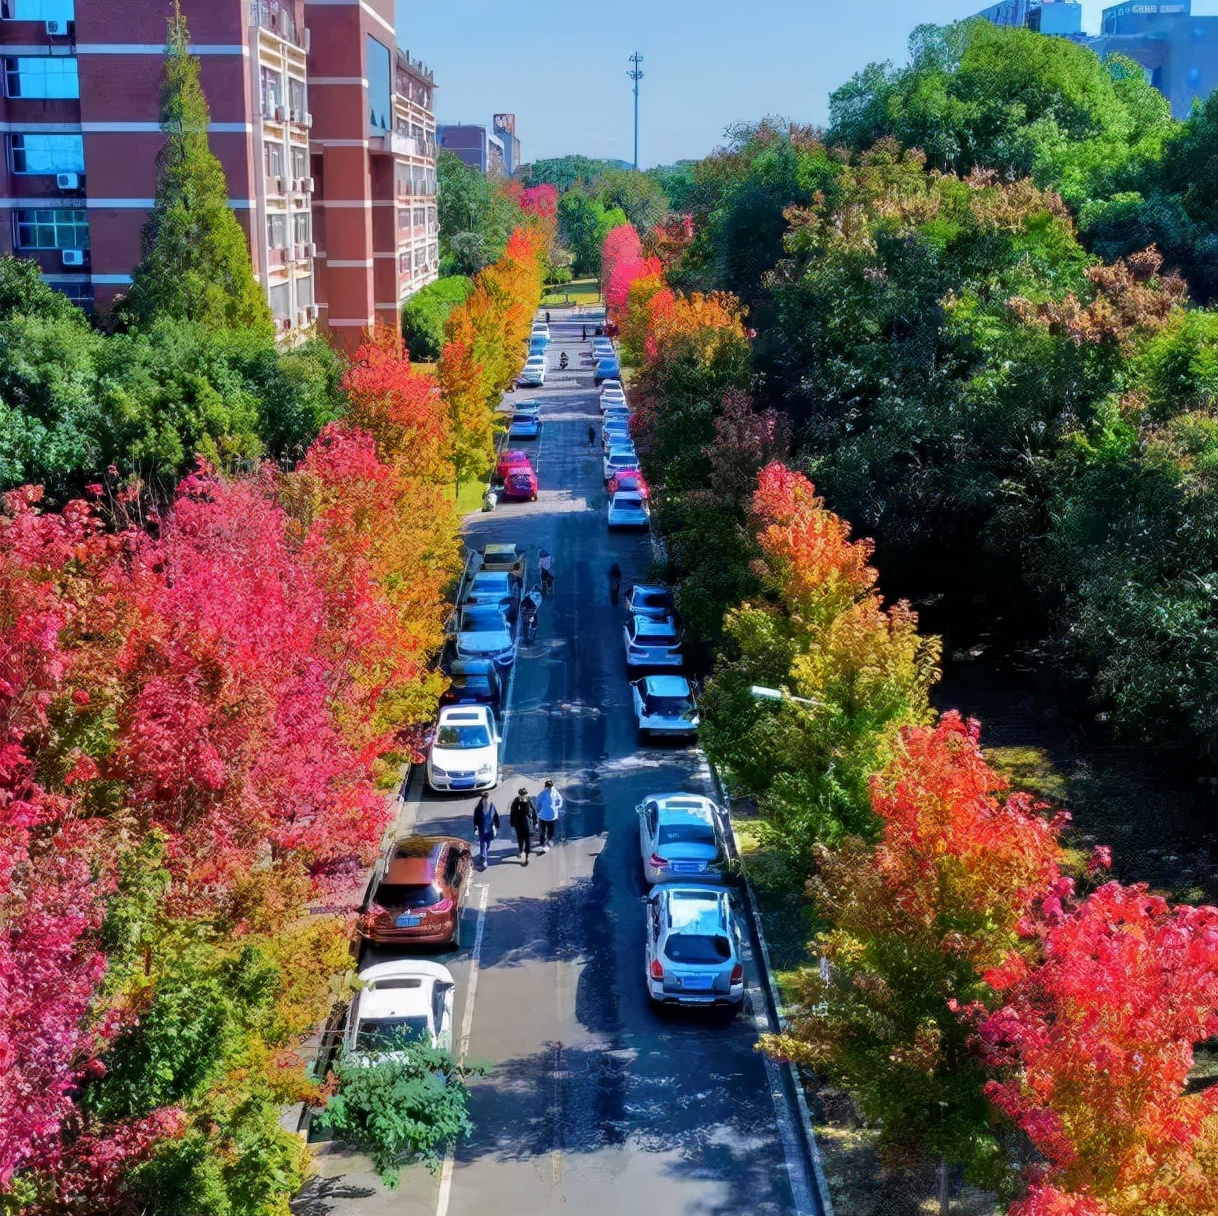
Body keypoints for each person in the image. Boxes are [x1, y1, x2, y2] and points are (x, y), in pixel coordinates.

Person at [509, 787, 536, 864]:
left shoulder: (518, 800)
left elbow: (512, 812)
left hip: (521, 821)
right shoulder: (525, 800)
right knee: (524, 837)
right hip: (523, 821)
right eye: (523, 794)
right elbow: (533, 810)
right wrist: (535, 820)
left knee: (522, 837)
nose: (524, 795)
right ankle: (524, 852)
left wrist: (512, 823)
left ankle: (523, 852)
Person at [535, 779, 563, 852]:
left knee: (547, 830)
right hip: (546, 815)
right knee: (546, 830)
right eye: (548, 786)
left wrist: (557, 806)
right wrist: (557, 806)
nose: (548, 788)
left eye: (549, 786)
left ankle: (546, 841)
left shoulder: (548, 793)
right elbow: (538, 802)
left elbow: (537, 802)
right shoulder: (546, 793)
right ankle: (544, 842)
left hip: (549, 815)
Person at [472, 793, 499, 868]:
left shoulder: (492, 806)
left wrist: (496, 825)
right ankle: (484, 860)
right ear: (483, 798)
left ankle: (482, 855)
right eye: (485, 798)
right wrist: (476, 827)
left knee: (487, 843)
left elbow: (495, 816)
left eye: (487, 798)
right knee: (483, 843)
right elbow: (476, 818)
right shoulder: (479, 807)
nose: (486, 799)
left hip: (489, 828)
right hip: (481, 828)